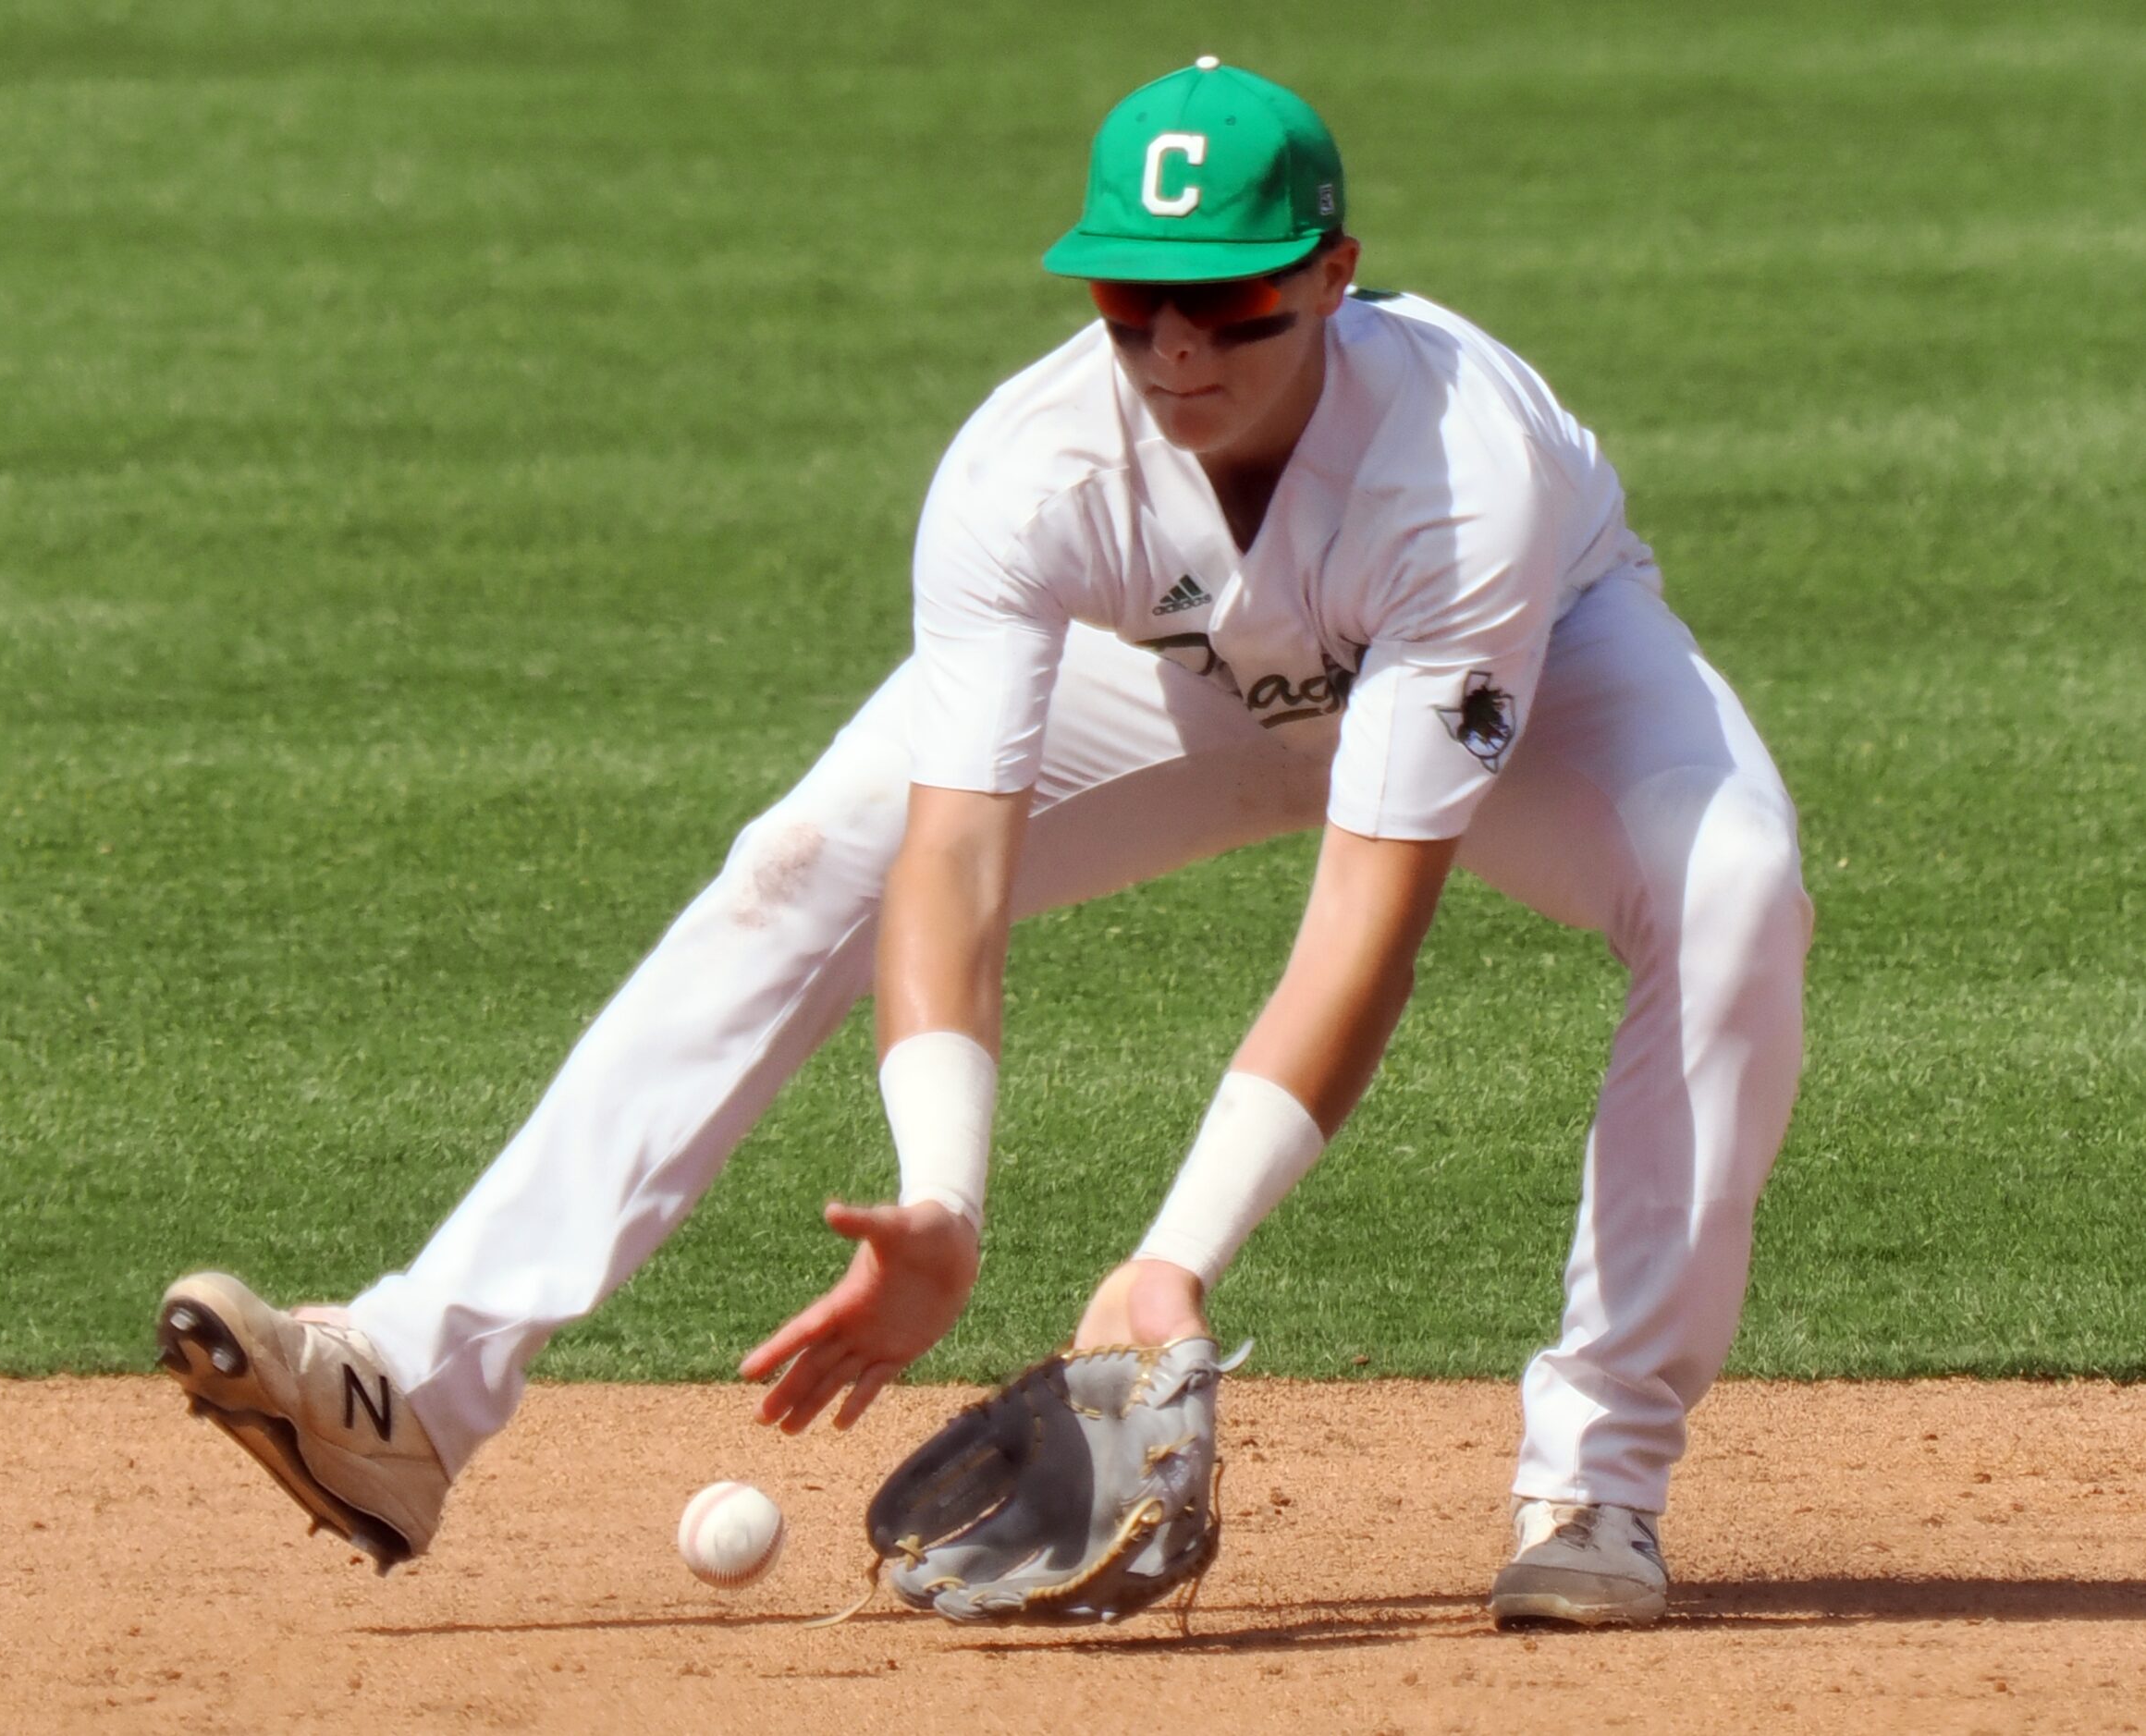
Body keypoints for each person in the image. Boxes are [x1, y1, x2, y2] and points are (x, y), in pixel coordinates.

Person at [157, 57, 1811, 1629]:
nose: (1174, 347)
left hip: (1538, 655)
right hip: (1199, 677)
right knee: (809, 856)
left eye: (1228, 301)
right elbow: (948, 862)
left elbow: (1365, 924)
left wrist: (1172, 1258)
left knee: (1733, 887)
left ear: (1332, 273)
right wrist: (940, 1196)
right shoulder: (1030, 469)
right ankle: (409, 1384)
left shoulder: (1465, 474)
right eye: (1129, 298)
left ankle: (1595, 1473)